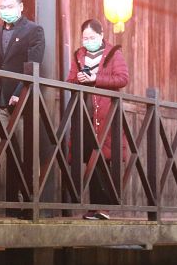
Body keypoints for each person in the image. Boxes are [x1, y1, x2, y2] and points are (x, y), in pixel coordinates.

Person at [0, 0, 45, 211]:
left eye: (9, 6)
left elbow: (34, 65)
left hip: (23, 101)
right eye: (1, 7)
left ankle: (30, 201)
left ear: (20, 7)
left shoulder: (34, 30)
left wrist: (20, 92)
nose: (5, 11)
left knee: (28, 153)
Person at [67, 18, 129, 220]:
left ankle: (104, 207)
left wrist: (95, 78)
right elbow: (70, 79)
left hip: (106, 113)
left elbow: (122, 78)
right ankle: (95, 206)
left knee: (103, 156)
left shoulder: (113, 53)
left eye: (92, 37)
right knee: (90, 156)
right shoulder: (79, 55)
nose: (88, 41)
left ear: (101, 35)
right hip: (85, 112)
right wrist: (79, 79)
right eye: (85, 38)